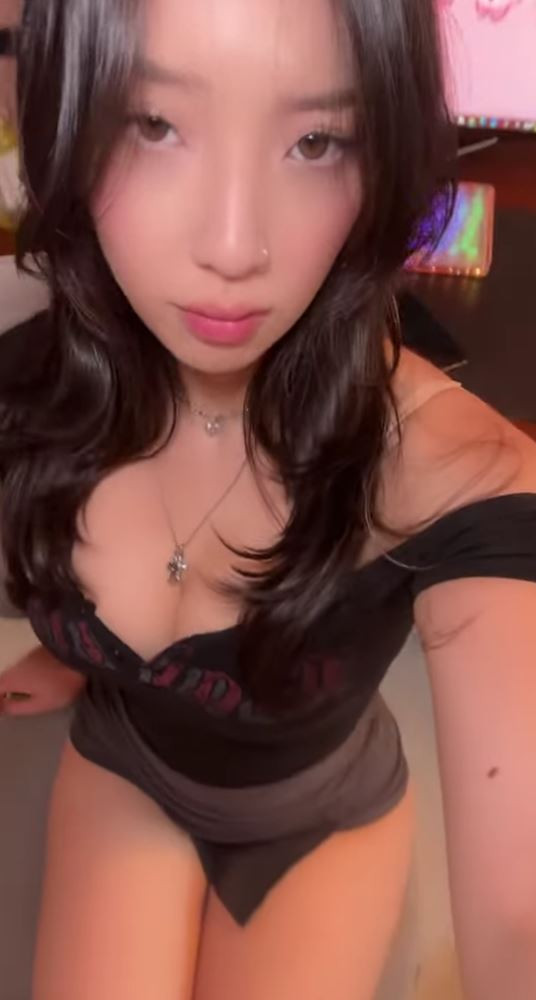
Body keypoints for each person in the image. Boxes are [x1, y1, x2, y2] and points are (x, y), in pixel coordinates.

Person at [0, 1, 536, 998]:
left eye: (316, 141)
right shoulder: (32, 383)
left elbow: (519, 921)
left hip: (315, 819)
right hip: (125, 763)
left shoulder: (456, 473)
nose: (234, 245)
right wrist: (74, 648)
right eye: (154, 123)